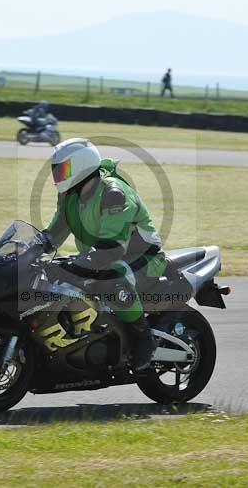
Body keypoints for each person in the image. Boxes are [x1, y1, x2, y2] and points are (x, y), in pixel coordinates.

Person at [42, 138, 166, 371]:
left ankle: (143, 338)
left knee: (114, 279)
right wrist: (29, 252)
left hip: (141, 259)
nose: (57, 176)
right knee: (56, 276)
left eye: (63, 170)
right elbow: (55, 232)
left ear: (82, 166)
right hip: (103, 256)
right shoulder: (69, 196)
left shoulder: (113, 193)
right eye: (55, 171)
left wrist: (80, 263)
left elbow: (112, 247)